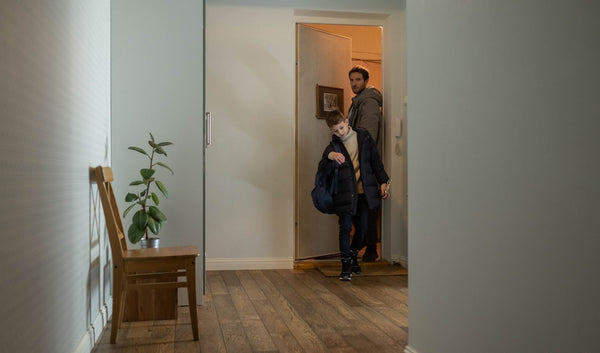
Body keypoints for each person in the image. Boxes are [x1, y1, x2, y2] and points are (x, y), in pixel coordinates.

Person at [316, 110, 390, 281]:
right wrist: (330, 156)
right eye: (335, 131)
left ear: (347, 122)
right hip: (344, 194)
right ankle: (346, 265)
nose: (339, 133)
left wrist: (383, 181)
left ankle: (354, 254)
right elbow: (322, 167)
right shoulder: (334, 146)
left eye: (341, 128)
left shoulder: (363, 137)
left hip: (364, 193)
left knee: (363, 228)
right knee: (345, 228)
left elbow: (375, 162)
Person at [347, 65, 385, 262]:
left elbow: (368, 134)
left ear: (366, 81)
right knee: (361, 202)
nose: (354, 84)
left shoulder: (368, 101)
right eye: (352, 80)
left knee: (367, 203)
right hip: (359, 158)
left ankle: (370, 247)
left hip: (365, 160)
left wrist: (361, 159)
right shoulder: (358, 102)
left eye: (358, 80)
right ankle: (365, 243)